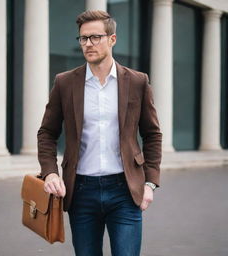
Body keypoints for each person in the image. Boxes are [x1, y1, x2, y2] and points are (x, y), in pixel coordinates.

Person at [37, 10, 162, 256]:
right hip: (81, 191)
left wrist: (150, 183)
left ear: (112, 39)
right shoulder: (65, 82)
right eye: (83, 39)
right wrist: (50, 172)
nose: (88, 44)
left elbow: (152, 134)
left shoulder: (137, 82)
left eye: (95, 37)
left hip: (125, 190)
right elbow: (47, 133)